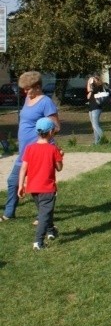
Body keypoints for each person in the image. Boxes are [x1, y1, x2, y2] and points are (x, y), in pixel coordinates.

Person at [2, 71, 60, 222]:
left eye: (27, 88)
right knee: (13, 182)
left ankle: (43, 217)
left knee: (39, 186)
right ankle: (9, 213)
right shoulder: (28, 98)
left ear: (37, 87)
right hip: (25, 151)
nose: (25, 91)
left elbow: (56, 126)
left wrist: (43, 143)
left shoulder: (46, 102)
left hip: (37, 152)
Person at [17, 117, 63, 250]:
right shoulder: (53, 149)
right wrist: (61, 156)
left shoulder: (30, 148)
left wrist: (21, 185)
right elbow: (59, 168)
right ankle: (38, 242)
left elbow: (23, 168)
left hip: (33, 188)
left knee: (45, 212)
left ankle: (51, 231)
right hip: (47, 188)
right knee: (44, 214)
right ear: (50, 132)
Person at [86, 73, 107, 145]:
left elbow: (88, 93)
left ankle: (104, 139)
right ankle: (97, 142)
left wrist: (89, 82)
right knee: (94, 125)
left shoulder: (97, 85)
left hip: (96, 107)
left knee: (95, 125)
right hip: (92, 106)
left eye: (92, 78)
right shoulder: (97, 85)